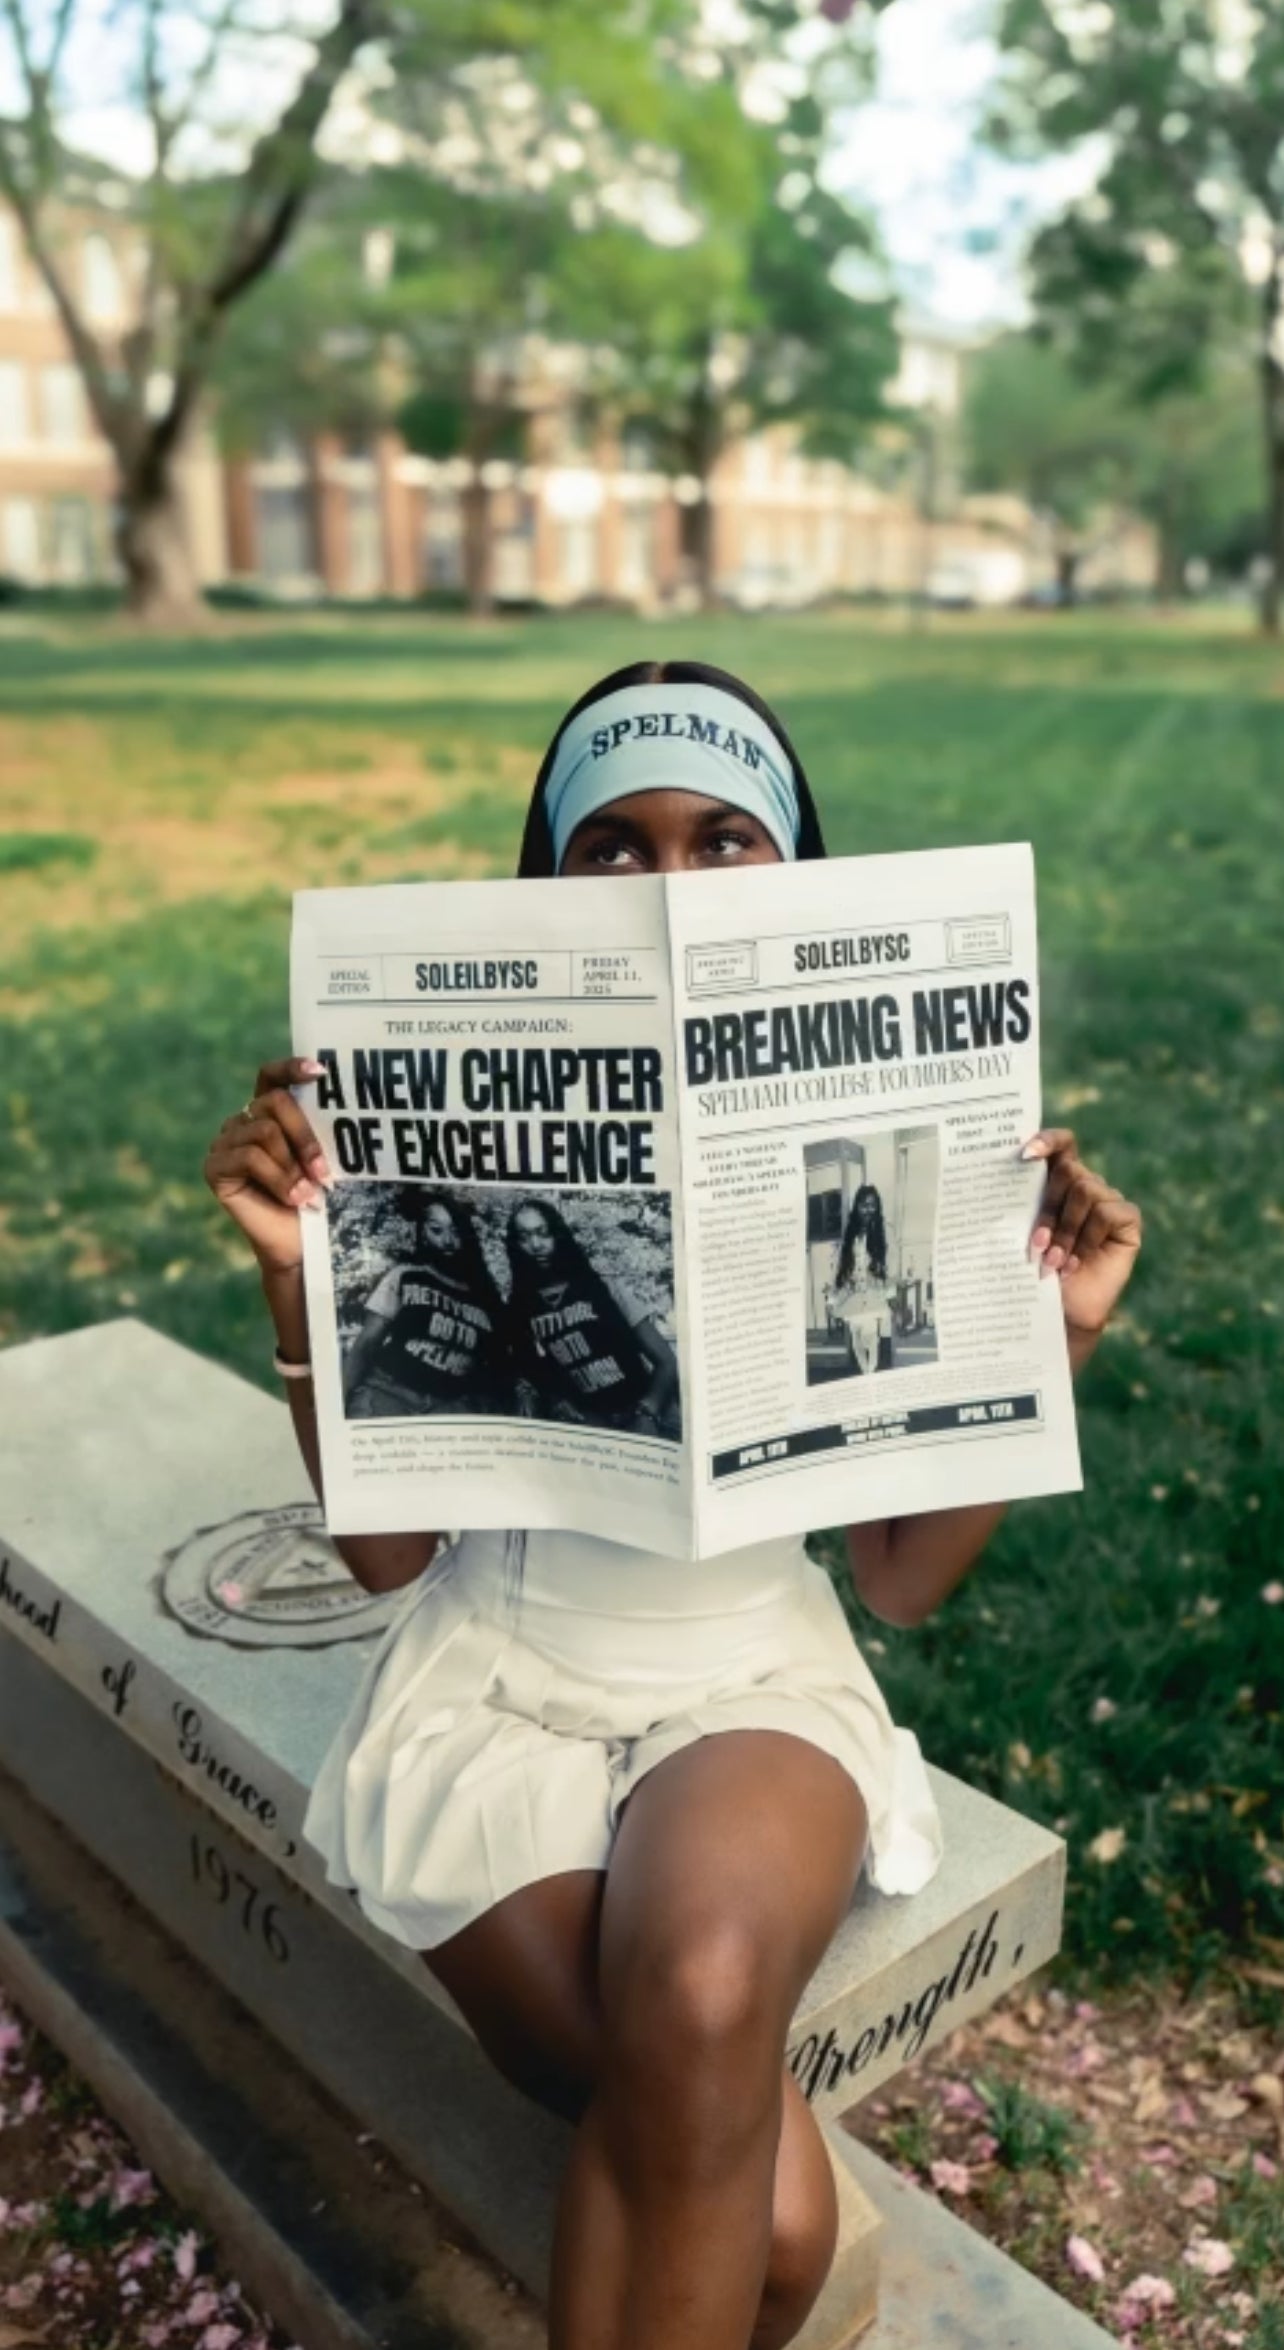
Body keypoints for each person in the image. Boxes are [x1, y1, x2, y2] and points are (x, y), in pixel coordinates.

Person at [202, 657, 1143, 2350]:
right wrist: (300, 1286)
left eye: (721, 842)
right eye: (613, 848)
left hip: (746, 1683)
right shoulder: (420, 1106)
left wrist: (1048, 1337)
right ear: (548, 880)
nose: (666, 886)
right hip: (491, 1682)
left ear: (791, 867)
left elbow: (902, 1580)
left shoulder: (869, 1123)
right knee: (772, 2223)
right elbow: (384, 1551)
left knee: (704, 1989)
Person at [506, 1196, 681, 1438]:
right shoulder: (523, 1307)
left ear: (558, 1235)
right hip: (597, 1423)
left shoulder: (606, 1287)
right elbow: (535, 1370)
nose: (535, 1244)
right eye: (524, 1237)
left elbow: (667, 1362)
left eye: (543, 1233)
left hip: (652, 1413)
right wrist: (558, 1399)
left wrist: (648, 1413)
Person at [341, 1189, 511, 1419]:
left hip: (449, 1407)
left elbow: (495, 1367)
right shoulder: (405, 1276)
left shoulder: (485, 1297)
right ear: (422, 1233)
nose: (448, 1241)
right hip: (389, 1392)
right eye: (436, 1230)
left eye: (456, 1231)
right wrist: (340, 1401)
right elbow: (367, 1342)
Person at [827, 1182, 893, 1375]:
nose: (868, 1209)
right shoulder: (850, 1233)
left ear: (877, 1206)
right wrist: (832, 1298)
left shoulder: (884, 1230)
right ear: (856, 1207)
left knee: (871, 1337)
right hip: (853, 1294)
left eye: (872, 1204)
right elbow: (839, 1268)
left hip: (873, 1292)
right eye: (863, 1205)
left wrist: (890, 1293)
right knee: (856, 1335)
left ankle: (871, 1372)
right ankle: (865, 1373)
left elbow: (891, 1264)